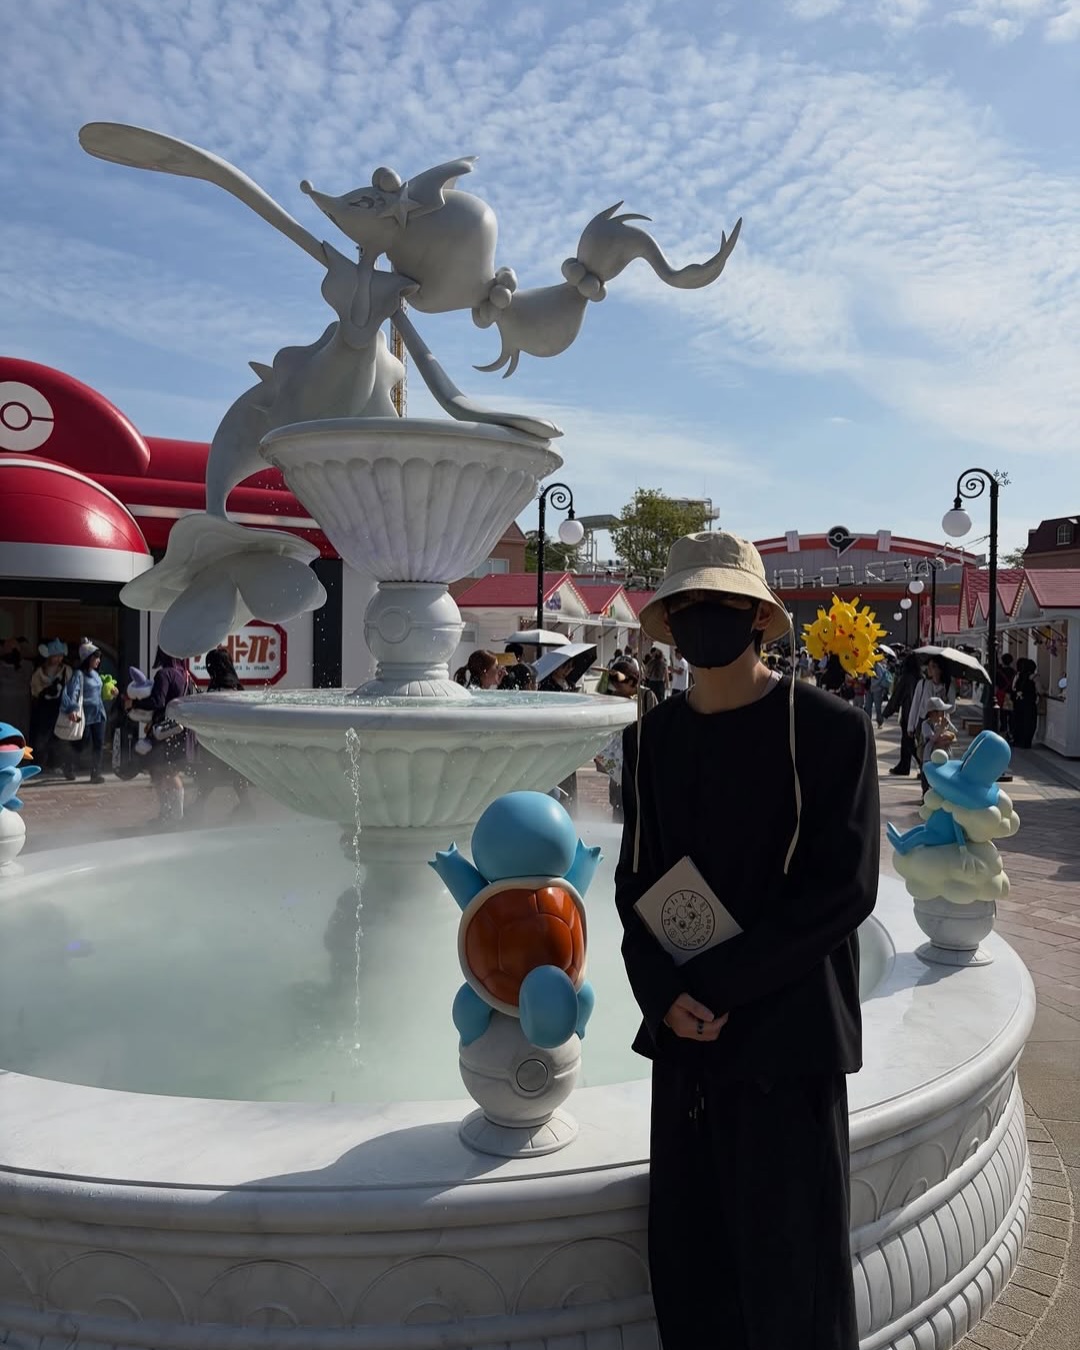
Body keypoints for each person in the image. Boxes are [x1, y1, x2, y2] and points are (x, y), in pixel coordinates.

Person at [614, 531, 878, 1350]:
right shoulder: (649, 741)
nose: (704, 618)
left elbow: (844, 889)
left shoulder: (829, 731)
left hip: (786, 1047)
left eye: (723, 604)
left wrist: (719, 985)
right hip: (687, 1046)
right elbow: (634, 885)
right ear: (668, 621)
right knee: (692, 1272)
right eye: (687, 605)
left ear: (760, 617)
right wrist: (662, 994)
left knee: (793, 1285)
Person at [126, 648, 195, 825]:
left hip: (164, 733)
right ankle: (174, 815)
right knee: (170, 772)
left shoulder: (164, 674)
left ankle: (170, 815)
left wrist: (134, 704)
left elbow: (157, 701)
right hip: (181, 730)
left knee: (162, 772)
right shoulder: (185, 675)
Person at [192, 648, 254, 820]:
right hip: (236, 743)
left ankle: (197, 810)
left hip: (216, 743)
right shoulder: (237, 689)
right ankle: (247, 809)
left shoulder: (216, 691)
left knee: (209, 776)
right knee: (237, 778)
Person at [58, 639, 108, 784]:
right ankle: (68, 764)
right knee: (81, 743)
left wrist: (110, 691)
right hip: (84, 715)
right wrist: (72, 709)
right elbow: (73, 692)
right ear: (87, 658)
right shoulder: (79, 674)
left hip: (99, 713)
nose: (98, 660)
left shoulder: (96, 674)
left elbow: (99, 692)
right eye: (96, 657)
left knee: (99, 743)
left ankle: (96, 773)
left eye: (99, 658)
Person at [907, 655, 958, 788]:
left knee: (940, 755)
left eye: (934, 666)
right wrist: (911, 726)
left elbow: (952, 707)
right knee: (925, 752)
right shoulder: (923, 683)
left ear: (940, 669)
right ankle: (926, 785)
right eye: (929, 666)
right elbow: (916, 704)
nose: (930, 669)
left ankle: (936, 785)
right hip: (924, 720)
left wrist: (942, 704)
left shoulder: (948, 685)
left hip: (942, 722)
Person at [29, 639, 71, 773]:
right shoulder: (40, 671)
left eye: (60, 656)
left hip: (60, 708)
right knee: (42, 737)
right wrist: (44, 691)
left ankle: (56, 763)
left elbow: (71, 688)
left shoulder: (66, 670)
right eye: (55, 656)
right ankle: (39, 764)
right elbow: (34, 689)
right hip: (44, 708)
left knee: (58, 736)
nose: (58, 659)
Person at [884, 653, 921, 776]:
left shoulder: (906, 678)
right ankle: (904, 765)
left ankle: (919, 764)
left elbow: (897, 695)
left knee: (908, 741)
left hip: (908, 713)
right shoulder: (920, 678)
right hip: (918, 713)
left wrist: (887, 712)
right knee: (908, 741)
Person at [1010, 657, 1040, 749]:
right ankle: (1026, 742)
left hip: (1018, 702)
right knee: (1029, 722)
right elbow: (1040, 690)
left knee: (1018, 721)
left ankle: (1017, 740)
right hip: (1029, 703)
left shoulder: (1019, 676)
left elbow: (1013, 688)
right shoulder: (1034, 677)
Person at [995, 652, 1016, 742]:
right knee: (1011, 715)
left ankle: (1003, 732)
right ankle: (1011, 732)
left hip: (1001, 694)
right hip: (1010, 695)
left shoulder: (998, 672)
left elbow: (996, 685)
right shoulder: (1014, 672)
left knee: (1002, 715)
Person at [867, 658, 891, 727]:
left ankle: (880, 722)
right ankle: (868, 723)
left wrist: (873, 684)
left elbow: (879, 677)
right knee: (868, 707)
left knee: (878, 708)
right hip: (868, 689)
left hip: (877, 689)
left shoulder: (878, 666)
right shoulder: (867, 665)